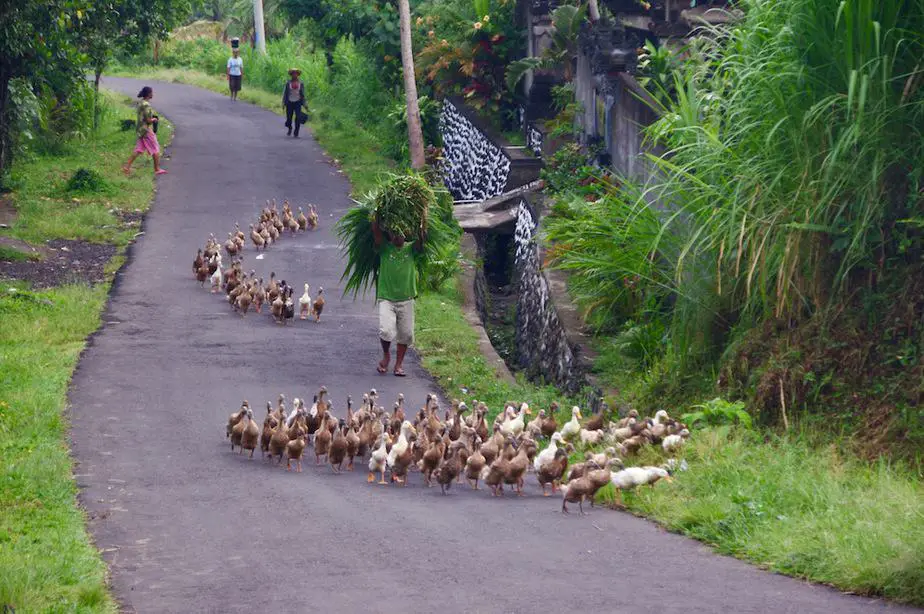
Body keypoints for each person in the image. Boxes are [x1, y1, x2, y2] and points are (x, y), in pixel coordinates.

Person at [372, 217, 426, 377]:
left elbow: (422, 239)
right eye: (395, 233)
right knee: (386, 331)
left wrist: (423, 217)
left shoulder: (411, 249)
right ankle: (386, 355)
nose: (398, 236)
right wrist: (376, 214)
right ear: (390, 234)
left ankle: (399, 364)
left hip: (406, 298)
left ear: (407, 235)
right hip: (386, 298)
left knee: (407, 334)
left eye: (401, 234)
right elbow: (375, 231)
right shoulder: (384, 248)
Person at [122, 86, 166, 176]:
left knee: (138, 149)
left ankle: (126, 167)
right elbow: (148, 120)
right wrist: (154, 120)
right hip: (146, 130)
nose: (153, 94)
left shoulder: (141, 103)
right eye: (151, 92)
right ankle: (157, 169)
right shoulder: (146, 105)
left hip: (140, 129)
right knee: (155, 148)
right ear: (149, 94)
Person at [282, 68, 306, 137]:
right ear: (291, 75)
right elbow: (285, 94)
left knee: (298, 118)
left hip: (298, 102)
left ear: (298, 75)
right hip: (289, 102)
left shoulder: (301, 83)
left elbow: (302, 94)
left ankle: (296, 132)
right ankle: (290, 128)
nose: (294, 75)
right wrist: (283, 103)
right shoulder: (288, 83)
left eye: (296, 74)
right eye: (293, 74)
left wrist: (304, 104)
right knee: (289, 118)